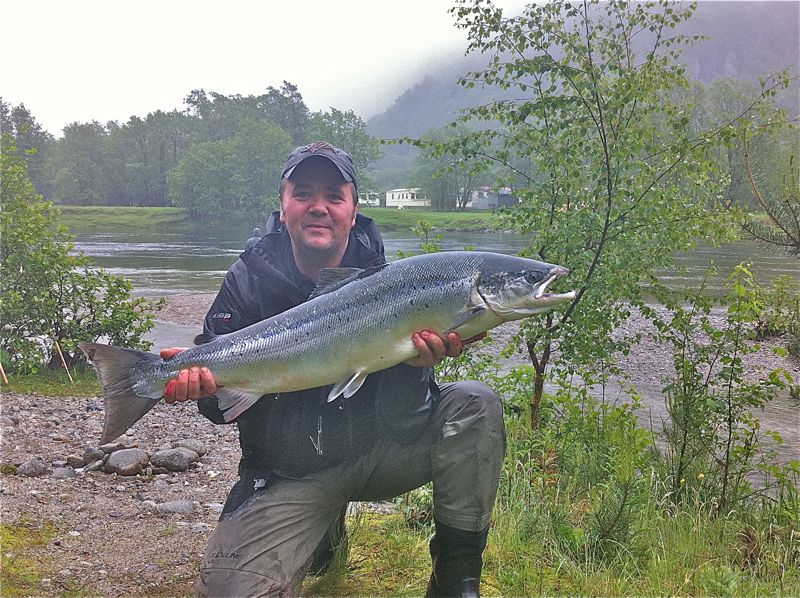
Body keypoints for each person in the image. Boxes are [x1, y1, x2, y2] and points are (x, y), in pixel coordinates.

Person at [161, 141, 505, 597]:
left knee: (475, 404)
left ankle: (454, 581)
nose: (318, 207)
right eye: (303, 193)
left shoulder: (394, 285)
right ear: (282, 206)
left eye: (334, 196)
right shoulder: (246, 281)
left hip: (378, 453)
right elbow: (220, 410)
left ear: (352, 209)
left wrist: (414, 366)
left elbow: (407, 422)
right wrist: (200, 387)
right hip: (290, 473)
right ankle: (322, 533)